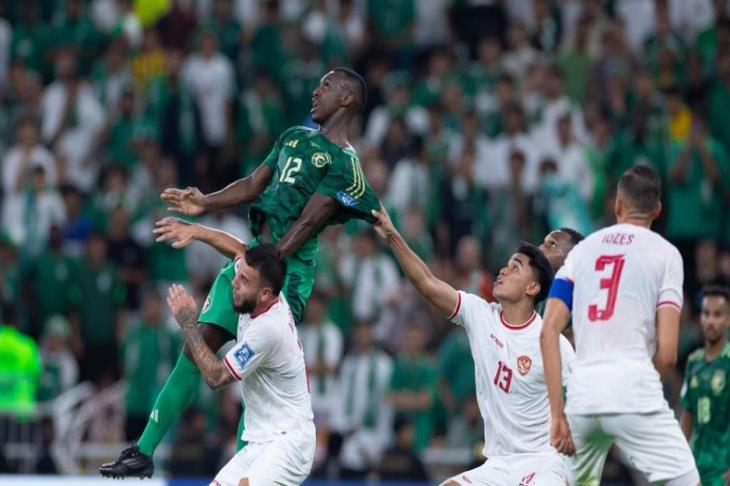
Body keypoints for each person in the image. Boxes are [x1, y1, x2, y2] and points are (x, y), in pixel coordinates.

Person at [100, 67, 380, 478]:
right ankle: (142, 451)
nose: (316, 90)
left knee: (253, 365)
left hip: (286, 271)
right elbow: (253, 184)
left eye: (327, 85)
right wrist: (206, 203)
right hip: (250, 258)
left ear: (347, 99)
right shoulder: (293, 137)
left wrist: (261, 268)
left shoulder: (346, 165)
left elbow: (306, 225)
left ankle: (252, 464)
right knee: (199, 345)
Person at [370, 206, 575, 485]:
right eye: (507, 264)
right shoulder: (481, 315)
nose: (503, 270)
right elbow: (427, 283)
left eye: (515, 267)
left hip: (543, 462)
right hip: (499, 464)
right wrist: (392, 234)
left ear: (532, 289)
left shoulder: (552, 341)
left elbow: (586, 400)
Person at [540, 164, 700, 485]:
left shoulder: (581, 252)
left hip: (583, 397)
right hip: (633, 386)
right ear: (657, 210)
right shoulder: (666, 255)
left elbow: (548, 332)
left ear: (617, 205)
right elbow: (668, 354)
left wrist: (558, 414)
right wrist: (638, 391)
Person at [167, 244, 313, 485]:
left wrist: (189, 326)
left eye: (243, 280)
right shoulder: (257, 286)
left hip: (289, 443)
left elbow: (215, 378)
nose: (234, 282)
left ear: (265, 294)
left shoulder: (268, 329)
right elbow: (236, 249)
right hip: (260, 441)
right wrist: (195, 232)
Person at [680, 285, 730, 486]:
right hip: (697, 468)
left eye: (717, 315)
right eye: (706, 314)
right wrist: (680, 461)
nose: (710, 321)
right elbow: (688, 415)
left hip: (723, 468)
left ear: (728, 320)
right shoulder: (693, 362)